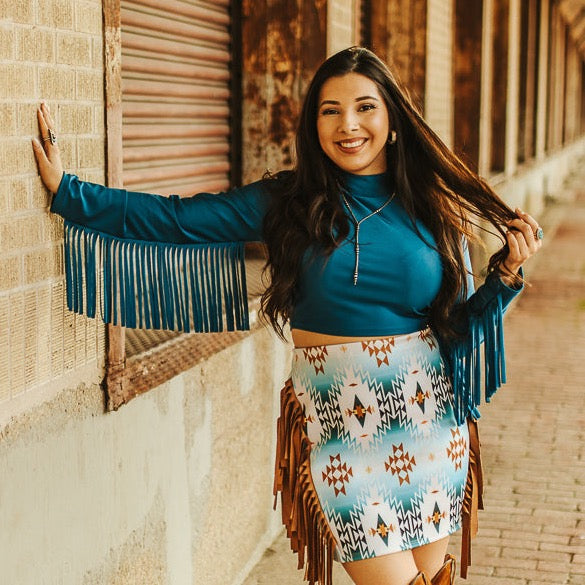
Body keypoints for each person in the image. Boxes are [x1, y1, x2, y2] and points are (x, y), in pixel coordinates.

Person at [32, 47, 542, 585]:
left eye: (365, 107)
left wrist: (505, 275)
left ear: (393, 119)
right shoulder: (287, 201)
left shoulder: (431, 209)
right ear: (312, 123)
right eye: (330, 110)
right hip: (341, 433)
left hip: (432, 428)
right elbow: (175, 220)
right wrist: (71, 193)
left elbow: (455, 334)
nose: (348, 125)